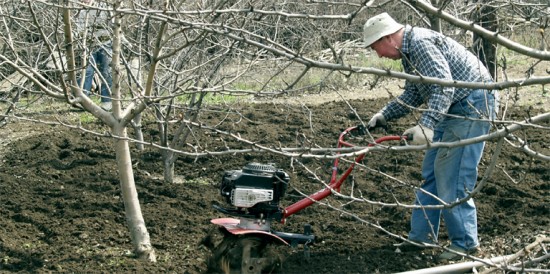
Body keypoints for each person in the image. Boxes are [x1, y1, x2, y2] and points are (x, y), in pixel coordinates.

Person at [362, 13, 498, 261]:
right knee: (432, 175)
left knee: (453, 176)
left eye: (376, 47)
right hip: (454, 107)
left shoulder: (421, 44)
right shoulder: (409, 53)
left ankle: (466, 245)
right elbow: (414, 92)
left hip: (473, 105)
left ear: (389, 38)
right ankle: (420, 238)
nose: (378, 54)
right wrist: (384, 115)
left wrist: (426, 126)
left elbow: (444, 86)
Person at [75, 0, 113, 111]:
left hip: (105, 44)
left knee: (107, 71)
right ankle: (84, 101)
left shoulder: (104, 8)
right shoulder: (80, 11)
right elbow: (79, 30)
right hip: (88, 45)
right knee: (86, 71)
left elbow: (112, 26)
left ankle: (107, 101)